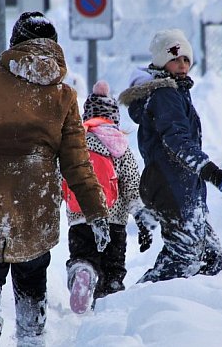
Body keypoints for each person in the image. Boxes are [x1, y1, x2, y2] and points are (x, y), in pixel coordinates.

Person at [0, 11, 111, 346]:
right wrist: (96, 212)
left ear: (15, 43)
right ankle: (31, 337)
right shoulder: (63, 96)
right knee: (31, 273)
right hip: (34, 198)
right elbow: (77, 162)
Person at [118, 28, 222, 284]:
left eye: (186, 59)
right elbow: (178, 142)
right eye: (175, 59)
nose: (182, 65)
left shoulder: (174, 92)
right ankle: (136, 303)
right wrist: (213, 173)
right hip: (171, 186)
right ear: (162, 63)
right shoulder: (165, 95)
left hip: (183, 186)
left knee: (210, 256)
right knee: (184, 258)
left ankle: (198, 312)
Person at [62, 80, 156, 314]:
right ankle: (108, 309)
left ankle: (83, 271)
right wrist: (140, 216)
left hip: (80, 218)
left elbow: (59, 178)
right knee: (113, 269)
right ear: (114, 117)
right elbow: (133, 186)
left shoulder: (75, 143)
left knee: (83, 257)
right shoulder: (119, 145)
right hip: (114, 222)